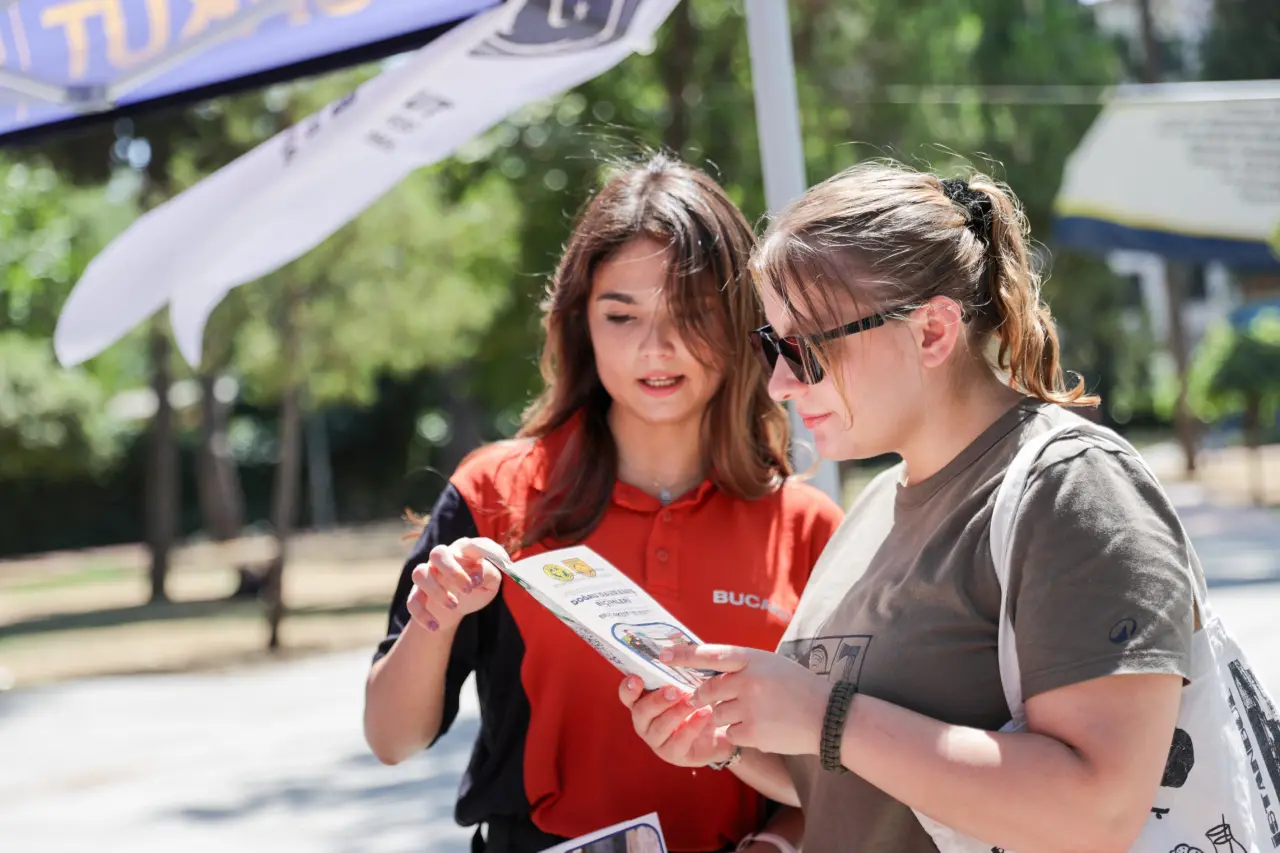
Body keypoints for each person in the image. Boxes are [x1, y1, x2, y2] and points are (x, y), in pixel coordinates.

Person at [621, 161, 1202, 853]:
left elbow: (1097, 811)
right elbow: (856, 784)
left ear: (931, 331)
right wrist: (730, 737)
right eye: (771, 345)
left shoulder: (1072, 487)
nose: (778, 383)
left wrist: (827, 717)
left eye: (805, 347)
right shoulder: (875, 504)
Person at [363, 153, 844, 853]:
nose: (657, 347)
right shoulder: (493, 493)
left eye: (692, 314)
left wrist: (779, 844)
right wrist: (434, 619)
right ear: (580, 323)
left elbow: (836, 775)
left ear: (745, 321)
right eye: (621, 315)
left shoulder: (811, 529)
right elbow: (391, 739)